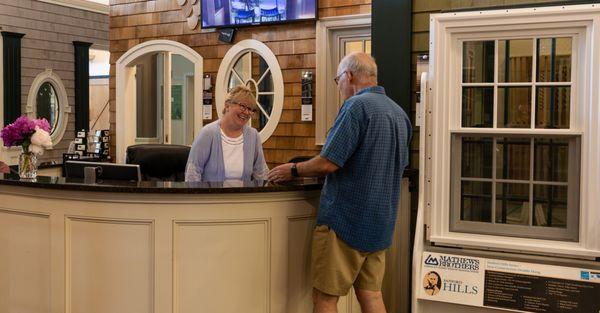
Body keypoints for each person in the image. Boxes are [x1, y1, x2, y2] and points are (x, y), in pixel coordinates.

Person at [268, 52, 411, 313]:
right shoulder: (399, 114)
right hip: (380, 223)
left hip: (345, 223)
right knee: (372, 296)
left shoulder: (356, 107)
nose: (339, 86)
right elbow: (398, 167)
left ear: (349, 76)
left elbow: (328, 162)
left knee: (324, 298)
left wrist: (294, 169)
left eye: (338, 80)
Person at [185, 85, 268, 182]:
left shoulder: (253, 136)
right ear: (227, 105)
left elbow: (261, 173)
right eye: (242, 106)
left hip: (243, 196)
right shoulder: (208, 133)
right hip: (212, 196)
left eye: (250, 109)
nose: (246, 112)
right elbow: (192, 172)